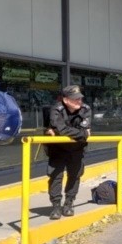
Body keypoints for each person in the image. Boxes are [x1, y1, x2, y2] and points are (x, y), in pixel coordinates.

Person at [46, 85, 91, 220]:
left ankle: (69, 203)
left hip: (77, 149)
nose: (79, 101)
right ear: (65, 100)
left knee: (75, 176)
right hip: (58, 149)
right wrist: (81, 134)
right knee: (55, 177)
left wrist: (62, 131)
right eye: (75, 99)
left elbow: (82, 130)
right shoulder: (57, 109)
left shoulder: (85, 109)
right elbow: (62, 129)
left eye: (80, 98)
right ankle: (56, 206)